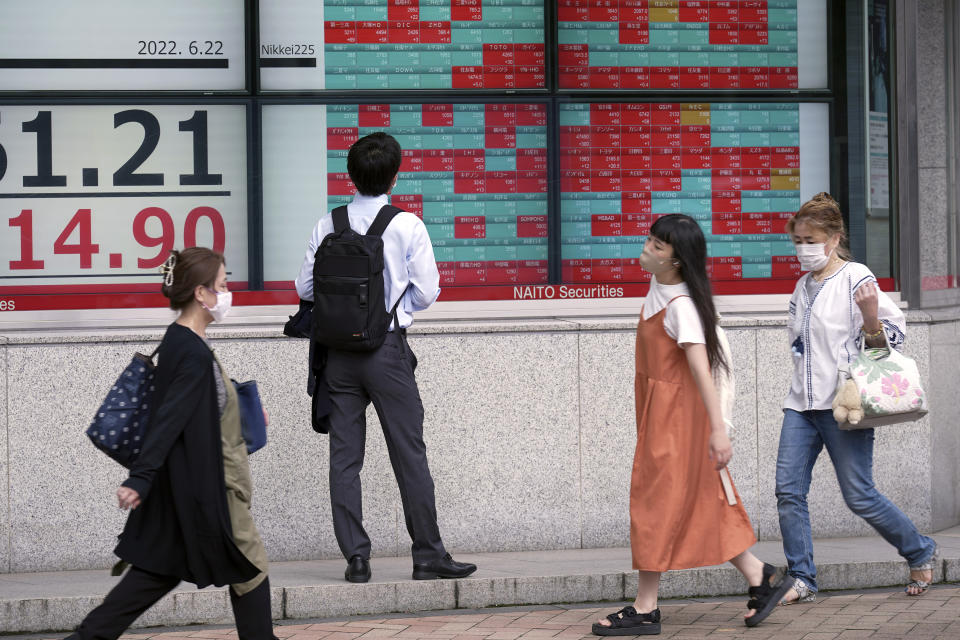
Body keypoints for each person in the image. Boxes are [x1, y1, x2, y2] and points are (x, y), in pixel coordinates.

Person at [593, 214, 793, 636]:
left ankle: (645, 608)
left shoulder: (681, 307)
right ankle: (761, 576)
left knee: (653, 504)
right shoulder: (661, 288)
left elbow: (704, 370)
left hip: (676, 418)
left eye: (657, 245)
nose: (646, 247)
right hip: (663, 411)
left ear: (676, 261)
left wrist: (719, 428)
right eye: (649, 239)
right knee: (702, 500)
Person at [67, 247, 276, 640]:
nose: (226, 294)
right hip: (208, 486)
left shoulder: (182, 341)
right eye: (222, 286)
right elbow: (169, 419)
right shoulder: (191, 351)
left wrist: (239, 410)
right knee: (251, 565)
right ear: (201, 293)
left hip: (186, 481)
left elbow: (193, 408)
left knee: (156, 574)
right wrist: (140, 478)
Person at [295, 132, 477, 583]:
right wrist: (393, 313)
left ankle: (356, 558)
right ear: (395, 176)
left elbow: (304, 290)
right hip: (387, 353)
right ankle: (428, 555)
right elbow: (429, 291)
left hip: (337, 357)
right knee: (409, 453)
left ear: (349, 176)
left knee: (344, 459)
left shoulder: (327, 223)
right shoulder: (407, 225)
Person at [776, 192, 938, 603]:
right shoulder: (801, 286)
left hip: (844, 406)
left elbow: (892, 343)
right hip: (801, 406)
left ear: (834, 237)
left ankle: (919, 549)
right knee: (788, 491)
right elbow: (800, 345)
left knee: (859, 496)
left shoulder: (856, 277)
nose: (803, 249)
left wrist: (869, 318)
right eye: (797, 241)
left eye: (810, 240)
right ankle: (803, 578)